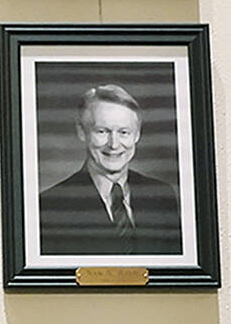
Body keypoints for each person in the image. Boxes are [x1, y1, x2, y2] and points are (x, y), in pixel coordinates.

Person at [39, 83, 181, 255]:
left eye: (124, 132)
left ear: (137, 135)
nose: (114, 144)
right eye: (102, 131)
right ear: (82, 132)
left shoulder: (161, 196)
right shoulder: (50, 206)